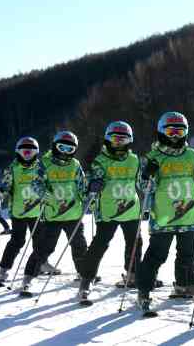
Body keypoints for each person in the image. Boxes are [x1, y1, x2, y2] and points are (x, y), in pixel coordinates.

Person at [134, 112, 194, 313]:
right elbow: (144, 187)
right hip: (164, 216)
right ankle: (144, 290)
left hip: (189, 215)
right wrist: (146, 174)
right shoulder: (154, 157)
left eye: (180, 131)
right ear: (162, 132)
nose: (175, 136)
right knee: (157, 254)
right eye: (171, 132)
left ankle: (185, 283)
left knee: (188, 253)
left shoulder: (192, 155)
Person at [77, 121, 143, 302]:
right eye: (115, 140)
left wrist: (150, 176)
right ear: (108, 140)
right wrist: (92, 184)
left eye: (123, 140)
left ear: (129, 141)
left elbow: (142, 183)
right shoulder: (101, 160)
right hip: (108, 210)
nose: (118, 144)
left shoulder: (134, 160)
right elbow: (89, 182)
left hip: (131, 209)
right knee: (100, 244)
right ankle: (87, 279)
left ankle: (133, 275)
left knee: (135, 243)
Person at [20, 130, 90, 296]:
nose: (65, 152)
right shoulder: (44, 163)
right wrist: (42, 191)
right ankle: (28, 277)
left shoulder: (75, 165)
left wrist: (90, 194)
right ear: (55, 146)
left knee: (79, 245)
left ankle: (83, 273)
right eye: (62, 147)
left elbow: (81, 186)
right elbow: (35, 183)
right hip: (52, 214)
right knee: (45, 247)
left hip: (73, 213)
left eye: (69, 149)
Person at [0, 137, 46, 285]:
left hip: (37, 211)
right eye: (24, 152)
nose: (27, 154)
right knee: (17, 241)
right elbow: (6, 185)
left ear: (36, 152)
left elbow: (47, 184)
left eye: (30, 152)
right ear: (18, 152)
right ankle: (4, 270)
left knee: (40, 243)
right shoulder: (12, 168)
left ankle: (41, 264)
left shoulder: (41, 168)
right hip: (19, 212)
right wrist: (1, 193)